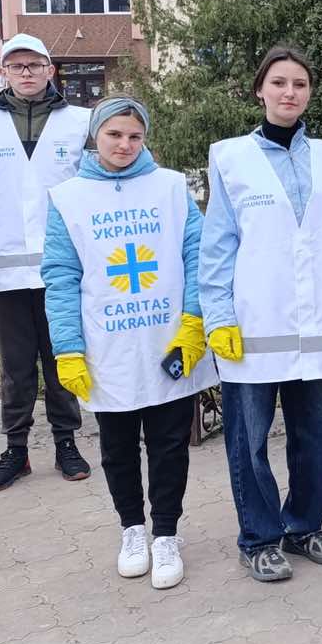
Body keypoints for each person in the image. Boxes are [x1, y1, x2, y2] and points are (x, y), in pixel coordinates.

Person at [199, 47, 322, 582]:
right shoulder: (230, 158)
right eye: (279, 82)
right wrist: (217, 316)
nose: (290, 92)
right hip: (253, 324)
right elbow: (218, 244)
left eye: (300, 84)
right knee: (249, 440)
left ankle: (304, 526)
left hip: (314, 325)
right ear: (260, 90)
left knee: (319, 437)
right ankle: (260, 537)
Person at [41, 98, 215, 589]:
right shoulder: (68, 197)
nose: (124, 145)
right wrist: (67, 347)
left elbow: (197, 257)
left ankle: (165, 534)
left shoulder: (171, 187)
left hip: (165, 340)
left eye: (134, 136)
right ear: (95, 136)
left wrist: (193, 323)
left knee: (168, 443)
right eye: (114, 134)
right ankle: (131, 529)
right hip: (106, 344)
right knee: (117, 446)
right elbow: (61, 276)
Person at [0, 33, 92, 489]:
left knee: (61, 356)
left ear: (51, 70)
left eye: (34, 65)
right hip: (3, 271)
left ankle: (67, 442)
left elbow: (96, 193)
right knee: (15, 366)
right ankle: (16, 449)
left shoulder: (81, 123)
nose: (26, 73)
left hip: (64, 269)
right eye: (17, 66)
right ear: (4, 73)